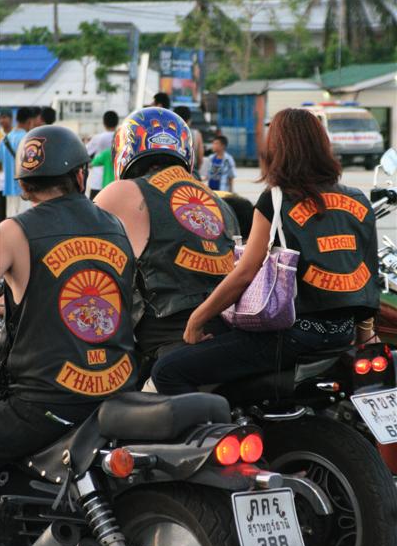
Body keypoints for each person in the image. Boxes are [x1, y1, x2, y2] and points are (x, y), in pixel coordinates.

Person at [152, 108, 380, 394]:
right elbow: (366, 273)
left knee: (168, 371)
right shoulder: (358, 200)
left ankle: (215, 424)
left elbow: (245, 273)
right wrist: (364, 334)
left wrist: (196, 319)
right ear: (323, 144)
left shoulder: (276, 199)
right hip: (341, 335)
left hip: (292, 336)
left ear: (278, 148)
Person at [0, 125, 138, 465]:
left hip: (45, 403)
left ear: (24, 184)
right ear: (79, 175)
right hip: (116, 393)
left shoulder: (13, 231)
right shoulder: (115, 227)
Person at [94, 107, 239, 381]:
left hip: (167, 335)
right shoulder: (218, 202)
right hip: (222, 329)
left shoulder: (122, 192)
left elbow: (76, 242)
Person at [0, 107, 33, 218]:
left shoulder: (5, 139)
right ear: (29, 121)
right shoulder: (28, 139)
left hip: (9, 188)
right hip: (24, 189)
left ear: (16, 119)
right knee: (25, 221)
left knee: (11, 220)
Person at [87, 110, 119, 200]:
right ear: (117, 122)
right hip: (116, 181)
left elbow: (86, 153)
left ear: (104, 123)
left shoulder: (97, 138)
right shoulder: (120, 137)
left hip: (97, 182)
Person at [174, 105, 204, 175]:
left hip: (173, 173)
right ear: (189, 120)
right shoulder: (196, 134)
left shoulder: (170, 133)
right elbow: (200, 159)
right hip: (191, 173)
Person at [0, 108, 13, 223]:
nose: (1, 120)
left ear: (11, 118)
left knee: (11, 213)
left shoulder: (16, 134)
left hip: (13, 182)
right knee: (0, 212)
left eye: (4, 117)